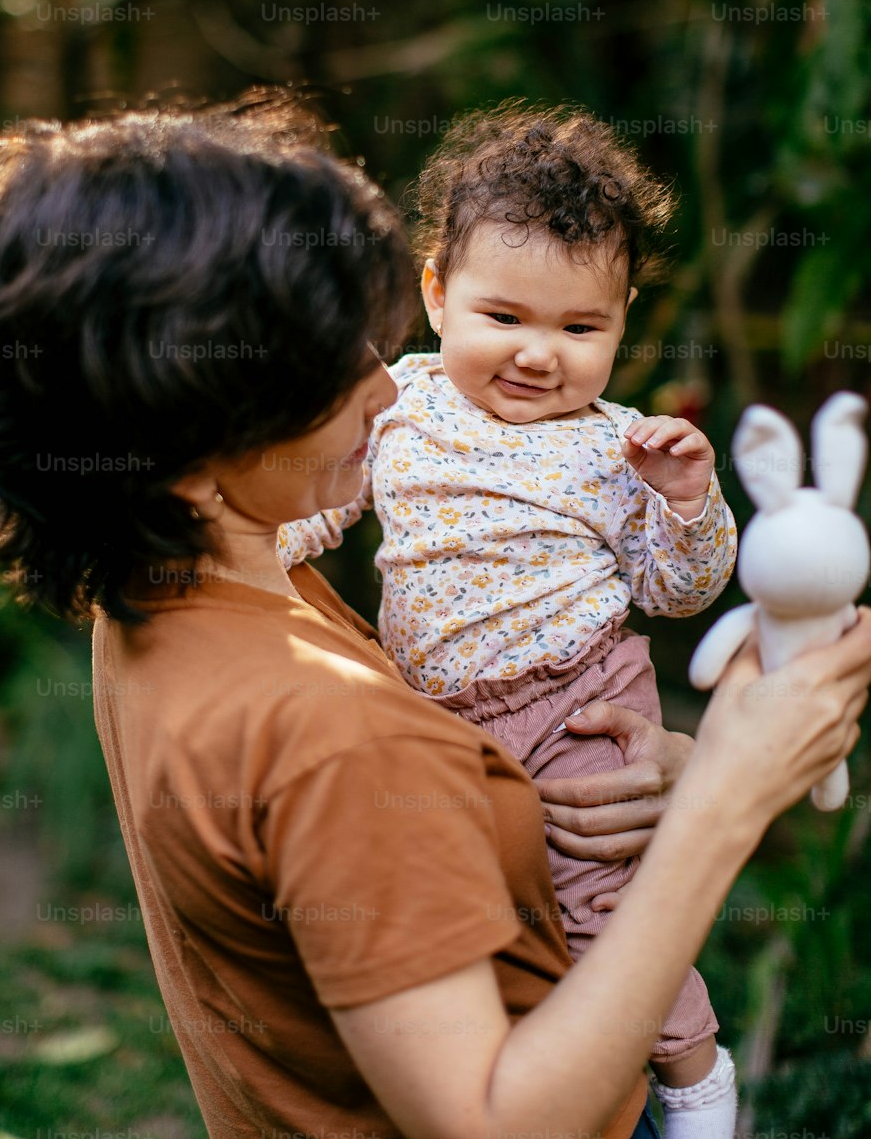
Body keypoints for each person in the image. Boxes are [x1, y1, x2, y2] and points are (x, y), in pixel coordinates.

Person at [0, 89, 871, 1139]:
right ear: (196, 435)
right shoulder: (327, 735)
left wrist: (642, 780)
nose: (388, 390)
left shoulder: (180, 598)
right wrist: (723, 803)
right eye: (337, 365)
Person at [276, 103, 736, 1133]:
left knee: (601, 909)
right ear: (437, 295)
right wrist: (261, 552)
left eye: (580, 329)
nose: (539, 355)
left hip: (578, 702)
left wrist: (686, 504)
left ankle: (694, 1078)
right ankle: (504, 1080)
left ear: (621, 322)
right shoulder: (403, 402)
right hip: (435, 710)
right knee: (458, 907)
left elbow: (678, 590)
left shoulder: (619, 446)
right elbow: (327, 501)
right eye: (505, 317)